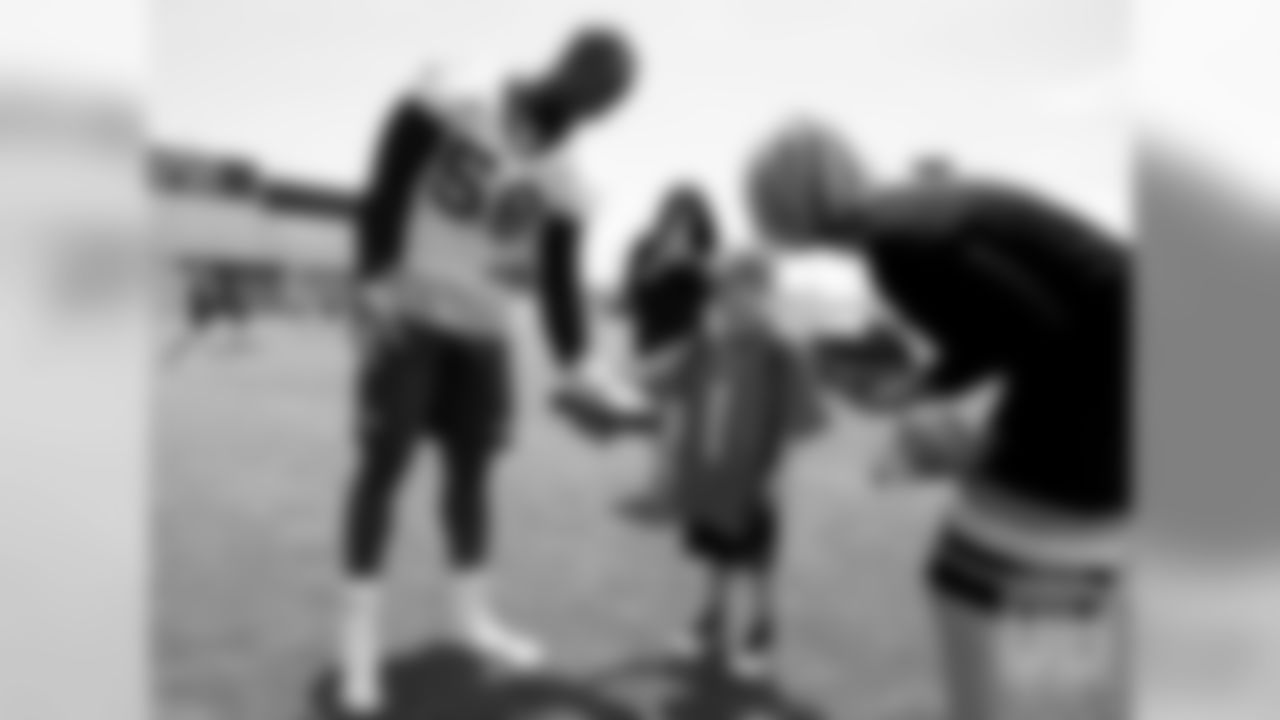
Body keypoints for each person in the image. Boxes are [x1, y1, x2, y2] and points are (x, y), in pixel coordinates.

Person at [745, 119, 1132, 720]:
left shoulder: (898, 242)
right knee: (1033, 597)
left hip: (1107, 396)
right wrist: (918, 388)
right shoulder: (909, 218)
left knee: (971, 590)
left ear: (781, 209)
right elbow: (1004, 329)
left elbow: (1048, 335)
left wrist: (960, 439)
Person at [337, 25, 637, 716]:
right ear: (567, 56)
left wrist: (582, 367)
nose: (597, 97)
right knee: (383, 467)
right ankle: (358, 639)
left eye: (611, 94)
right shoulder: (463, 87)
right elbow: (388, 180)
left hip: (485, 329)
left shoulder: (573, 176)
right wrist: (372, 276)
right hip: (410, 310)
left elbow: (560, 280)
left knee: (472, 479)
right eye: (595, 75)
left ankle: (471, 618)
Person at [613, 183, 720, 524]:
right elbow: (627, 298)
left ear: (700, 223)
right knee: (663, 428)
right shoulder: (643, 248)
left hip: (687, 348)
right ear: (663, 217)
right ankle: (670, 494)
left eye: (689, 220)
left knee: (673, 426)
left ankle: (660, 499)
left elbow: (715, 301)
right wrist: (660, 266)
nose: (680, 227)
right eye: (675, 218)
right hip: (648, 348)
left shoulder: (705, 255)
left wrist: (696, 266)